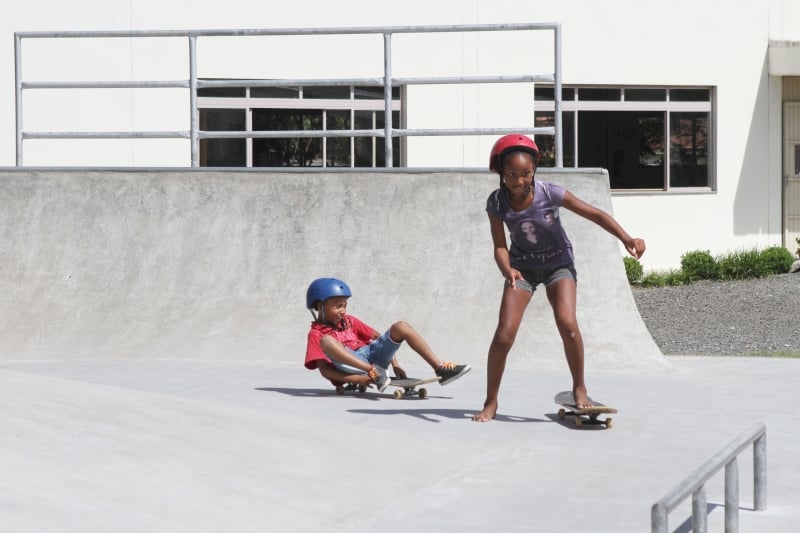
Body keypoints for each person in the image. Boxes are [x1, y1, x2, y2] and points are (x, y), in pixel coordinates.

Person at [472, 134, 646, 422]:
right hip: (521, 269)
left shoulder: (549, 193)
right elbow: (500, 245)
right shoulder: (497, 203)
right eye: (511, 174)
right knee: (504, 335)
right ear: (500, 172)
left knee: (567, 323)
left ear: (534, 171)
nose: (518, 181)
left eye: (525, 174)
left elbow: (594, 214)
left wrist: (627, 238)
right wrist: (507, 269)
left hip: (558, 266)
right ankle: (491, 401)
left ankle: (580, 387)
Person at [304, 277, 471, 392]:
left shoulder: (350, 321)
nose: (343, 311)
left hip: (372, 356)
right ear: (319, 306)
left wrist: (395, 364)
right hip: (354, 364)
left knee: (401, 326)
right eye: (337, 306)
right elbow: (325, 371)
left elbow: (377, 337)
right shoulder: (316, 334)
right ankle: (373, 370)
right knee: (327, 341)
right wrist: (358, 379)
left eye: (344, 305)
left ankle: (440, 368)